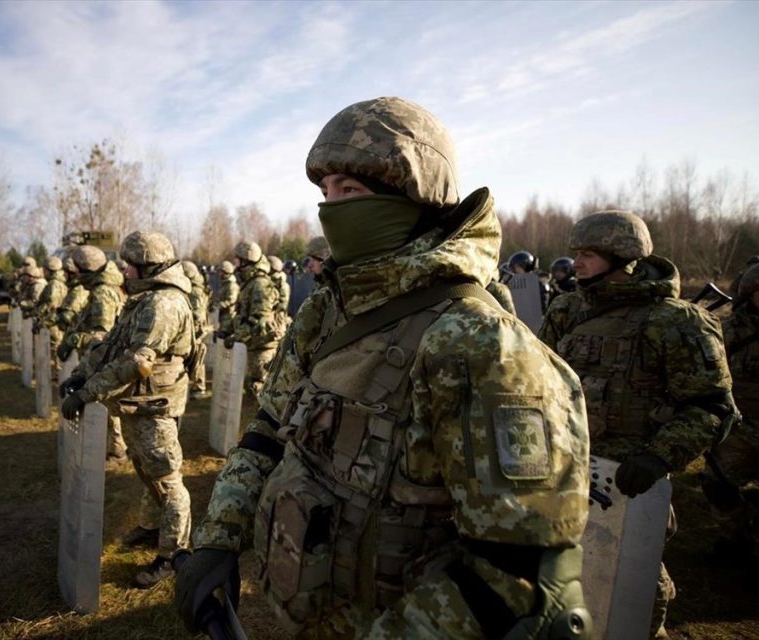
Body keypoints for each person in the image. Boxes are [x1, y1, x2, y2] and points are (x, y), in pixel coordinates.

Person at [176, 97, 592, 639]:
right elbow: (268, 431)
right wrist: (219, 536)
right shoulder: (328, 311)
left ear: (415, 197)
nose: (331, 208)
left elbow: (518, 586)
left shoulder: (481, 347)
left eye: (350, 191)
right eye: (325, 192)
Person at [538, 210, 738, 638]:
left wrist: (658, 455)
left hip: (631, 482)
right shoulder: (566, 309)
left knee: (634, 597)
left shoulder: (675, 321)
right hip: (567, 473)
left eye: (588, 254)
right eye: (576, 253)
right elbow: (540, 383)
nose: (577, 262)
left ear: (623, 257)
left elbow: (713, 407)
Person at [59, 231, 195, 589]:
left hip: (156, 406)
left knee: (167, 479)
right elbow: (112, 345)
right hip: (138, 405)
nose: (123, 268)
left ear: (148, 267)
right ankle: (152, 528)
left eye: (129, 263)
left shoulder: (164, 304)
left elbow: (136, 363)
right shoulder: (144, 298)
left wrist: (88, 393)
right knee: (146, 471)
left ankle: (174, 554)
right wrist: (80, 374)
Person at [702, 260, 759, 574]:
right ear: (750, 293)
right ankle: (734, 537)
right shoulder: (727, 328)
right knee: (718, 486)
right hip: (736, 428)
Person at [58, 246, 128, 464]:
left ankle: (116, 449)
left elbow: (102, 336)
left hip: (103, 359)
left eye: (78, 270)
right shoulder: (103, 288)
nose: (75, 275)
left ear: (87, 270)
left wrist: (74, 340)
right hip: (100, 357)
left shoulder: (102, 293)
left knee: (106, 403)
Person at [228, 241, 280, 398]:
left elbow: (259, 321)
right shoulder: (251, 282)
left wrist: (236, 337)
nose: (234, 263)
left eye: (236, 259)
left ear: (246, 260)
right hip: (254, 343)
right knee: (253, 385)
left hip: (262, 345)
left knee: (259, 385)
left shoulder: (260, 284)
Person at [181, 260, 210, 400]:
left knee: (197, 359)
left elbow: (197, 315)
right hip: (193, 330)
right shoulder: (192, 288)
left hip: (195, 331)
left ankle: (199, 387)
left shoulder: (195, 291)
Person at [34, 256, 68, 368]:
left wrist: (38, 312)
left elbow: (51, 304)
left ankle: (58, 373)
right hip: (56, 319)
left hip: (53, 321)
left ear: (49, 270)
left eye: (45, 270)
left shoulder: (54, 284)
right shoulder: (60, 282)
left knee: (55, 346)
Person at [211, 260, 239, 335]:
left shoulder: (232, 285)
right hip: (223, 318)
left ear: (226, 272)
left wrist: (219, 306)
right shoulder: (224, 285)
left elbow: (232, 300)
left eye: (221, 272)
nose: (219, 274)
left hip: (229, 318)